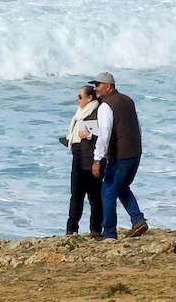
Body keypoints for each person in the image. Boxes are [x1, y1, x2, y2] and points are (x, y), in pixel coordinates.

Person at [90, 71, 149, 239]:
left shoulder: (106, 106)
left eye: (98, 85)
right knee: (121, 187)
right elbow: (137, 126)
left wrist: (97, 159)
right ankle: (138, 219)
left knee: (108, 191)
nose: (96, 89)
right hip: (135, 153)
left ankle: (109, 231)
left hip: (120, 156)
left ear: (109, 86)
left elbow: (104, 134)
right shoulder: (128, 100)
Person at [60, 83, 103, 236]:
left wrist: (90, 136)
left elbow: (104, 135)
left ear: (90, 97)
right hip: (78, 156)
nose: (78, 100)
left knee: (94, 196)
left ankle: (96, 230)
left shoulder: (98, 111)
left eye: (80, 97)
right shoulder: (80, 112)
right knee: (76, 195)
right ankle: (71, 229)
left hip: (92, 158)